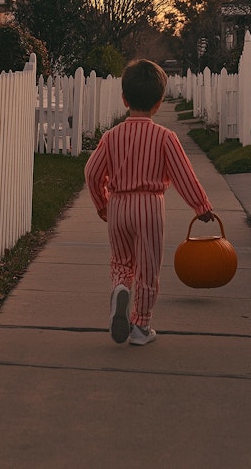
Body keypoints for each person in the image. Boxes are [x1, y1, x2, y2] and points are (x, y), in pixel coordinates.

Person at [84, 59, 214, 346]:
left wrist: (102, 204)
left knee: (121, 261)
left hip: (118, 206)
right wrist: (201, 206)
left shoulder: (111, 136)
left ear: (124, 99)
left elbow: (92, 172)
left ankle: (120, 288)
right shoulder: (165, 137)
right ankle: (140, 326)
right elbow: (183, 176)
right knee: (147, 268)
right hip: (150, 208)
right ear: (159, 102)